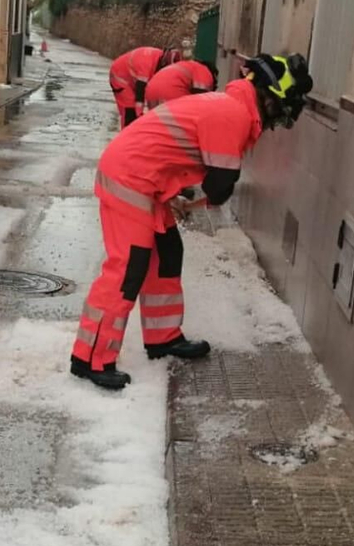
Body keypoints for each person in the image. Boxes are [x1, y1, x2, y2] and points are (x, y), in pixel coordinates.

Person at [71, 53, 315, 391]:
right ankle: (89, 358)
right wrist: (204, 197)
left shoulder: (232, 107)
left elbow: (215, 183)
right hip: (130, 177)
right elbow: (219, 185)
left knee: (167, 253)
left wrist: (195, 198)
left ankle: (163, 337)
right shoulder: (233, 115)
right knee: (129, 268)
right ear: (270, 97)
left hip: (147, 181)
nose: (277, 122)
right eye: (281, 111)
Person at [108, 46, 182, 128]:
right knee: (130, 111)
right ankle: (126, 136)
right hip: (120, 77)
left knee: (134, 114)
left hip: (131, 78)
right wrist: (139, 112)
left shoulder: (159, 57)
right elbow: (141, 89)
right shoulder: (146, 62)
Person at [143, 57, 218, 112]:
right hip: (172, 92)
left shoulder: (185, 65)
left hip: (151, 90)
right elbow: (201, 98)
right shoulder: (204, 71)